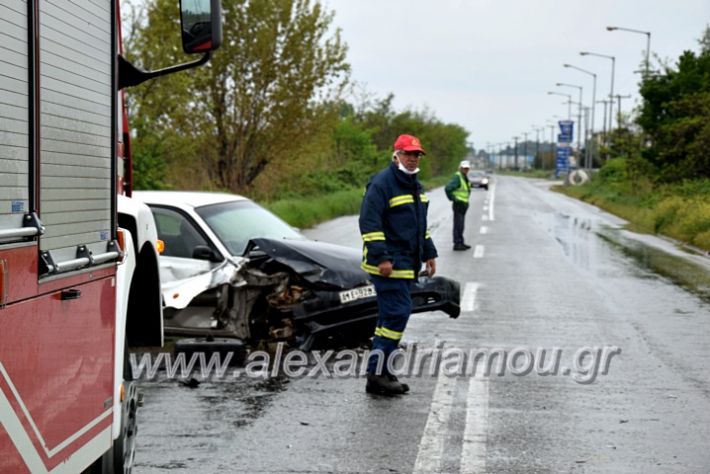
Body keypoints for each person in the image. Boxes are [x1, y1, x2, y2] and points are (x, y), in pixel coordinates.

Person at [359, 134, 438, 395]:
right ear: (396, 156)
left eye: (417, 155)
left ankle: (381, 370)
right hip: (388, 266)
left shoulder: (416, 186)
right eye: (408, 154)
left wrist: (429, 253)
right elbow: (370, 224)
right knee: (398, 313)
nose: (413, 159)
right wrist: (381, 257)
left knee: (389, 317)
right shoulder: (382, 183)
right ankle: (377, 374)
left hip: (405, 265)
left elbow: (420, 228)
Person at [445, 160, 472, 250]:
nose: (466, 170)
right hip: (459, 205)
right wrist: (454, 199)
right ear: (460, 168)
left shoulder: (464, 177)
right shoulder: (458, 177)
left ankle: (461, 242)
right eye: (464, 168)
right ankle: (457, 244)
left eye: (467, 168)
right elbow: (448, 188)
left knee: (461, 225)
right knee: (458, 225)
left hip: (463, 204)